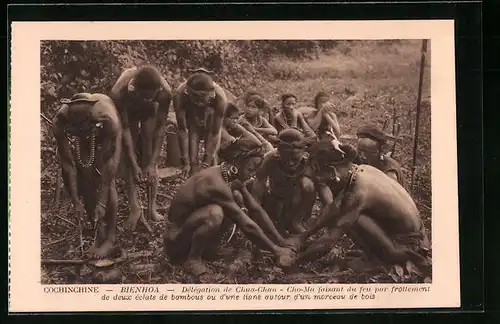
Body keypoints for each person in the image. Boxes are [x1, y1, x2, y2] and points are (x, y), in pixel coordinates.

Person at [284, 139, 430, 273]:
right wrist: (302, 237)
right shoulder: (361, 170)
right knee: (345, 212)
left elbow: (328, 241)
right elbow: (333, 208)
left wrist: (295, 260)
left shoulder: (358, 192)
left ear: (332, 171)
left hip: (409, 247)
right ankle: (375, 254)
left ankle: (380, 259)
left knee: (352, 218)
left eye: (318, 172)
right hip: (418, 237)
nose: (320, 180)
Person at [163, 137, 295, 281]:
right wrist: (276, 251)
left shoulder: (230, 176)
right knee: (215, 213)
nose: (253, 174)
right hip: (175, 241)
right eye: (251, 168)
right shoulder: (216, 184)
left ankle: (210, 249)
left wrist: (280, 241)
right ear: (238, 161)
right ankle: (193, 259)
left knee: (236, 198)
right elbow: (246, 224)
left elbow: (255, 209)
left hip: (189, 229)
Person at [52, 93, 122, 258]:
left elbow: (109, 169)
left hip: (107, 136)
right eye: (77, 130)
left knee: (105, 180)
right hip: (87, 134)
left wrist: (103, 202)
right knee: (85, 180)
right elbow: (68, 165)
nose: (82, 133)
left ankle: (110, 238)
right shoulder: (59, 121)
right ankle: (99, 231)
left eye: (85, 129)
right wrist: (76, 201)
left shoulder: (108, 120)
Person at [109, 65, 173, 231]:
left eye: (150, 97)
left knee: (148, 147)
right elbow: (125, 130)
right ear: (135, 89)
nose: (147, 99)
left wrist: (152, 164)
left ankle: (151, 208)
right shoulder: (119, 92)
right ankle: (134, 207)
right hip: (128, 111)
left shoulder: (165, 93)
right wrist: (134, 164)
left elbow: (160, 130)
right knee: (130, 160)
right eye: (144, 97)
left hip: (149, 113)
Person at [251, 128, 317, 235]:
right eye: (285, 158)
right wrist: (256, 215)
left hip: (297, 203)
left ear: (304, 152)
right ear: (278, 152)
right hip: (275, 199)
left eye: (295, 159)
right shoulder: (270, 159)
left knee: (307, 184)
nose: (290, 163)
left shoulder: (311, 161)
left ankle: (297, 221)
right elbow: (258, 185)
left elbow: (322, 190)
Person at [173, 69, 237, 177]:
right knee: (192, 157)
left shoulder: (220, 99)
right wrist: (185, 161)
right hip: (191, 116)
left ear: (211, 94)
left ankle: (211, 175)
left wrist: (207, 161)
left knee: (211, 160)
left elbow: (214, 133)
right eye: (195, 98)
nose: (198, 102)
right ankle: (193, 176)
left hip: (211, 116)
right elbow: (183, 130)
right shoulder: (180, 95)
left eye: (201, 99)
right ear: (188, 92)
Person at [356, 124, 408, 190]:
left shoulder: (389, 173)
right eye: (360, 151)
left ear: (379, 151)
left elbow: (389, 198)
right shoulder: (360, 162)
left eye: (368, 152)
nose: (362, 156)